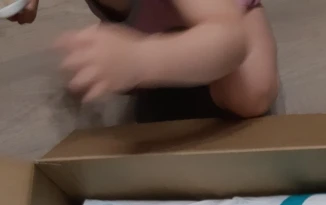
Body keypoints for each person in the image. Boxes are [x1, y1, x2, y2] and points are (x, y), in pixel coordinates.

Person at [11, 0, 278, 118]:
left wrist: (140, 59)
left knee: (250, 93)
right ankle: (168, 47)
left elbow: (230, 38)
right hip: (152, 19)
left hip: (224, 17)